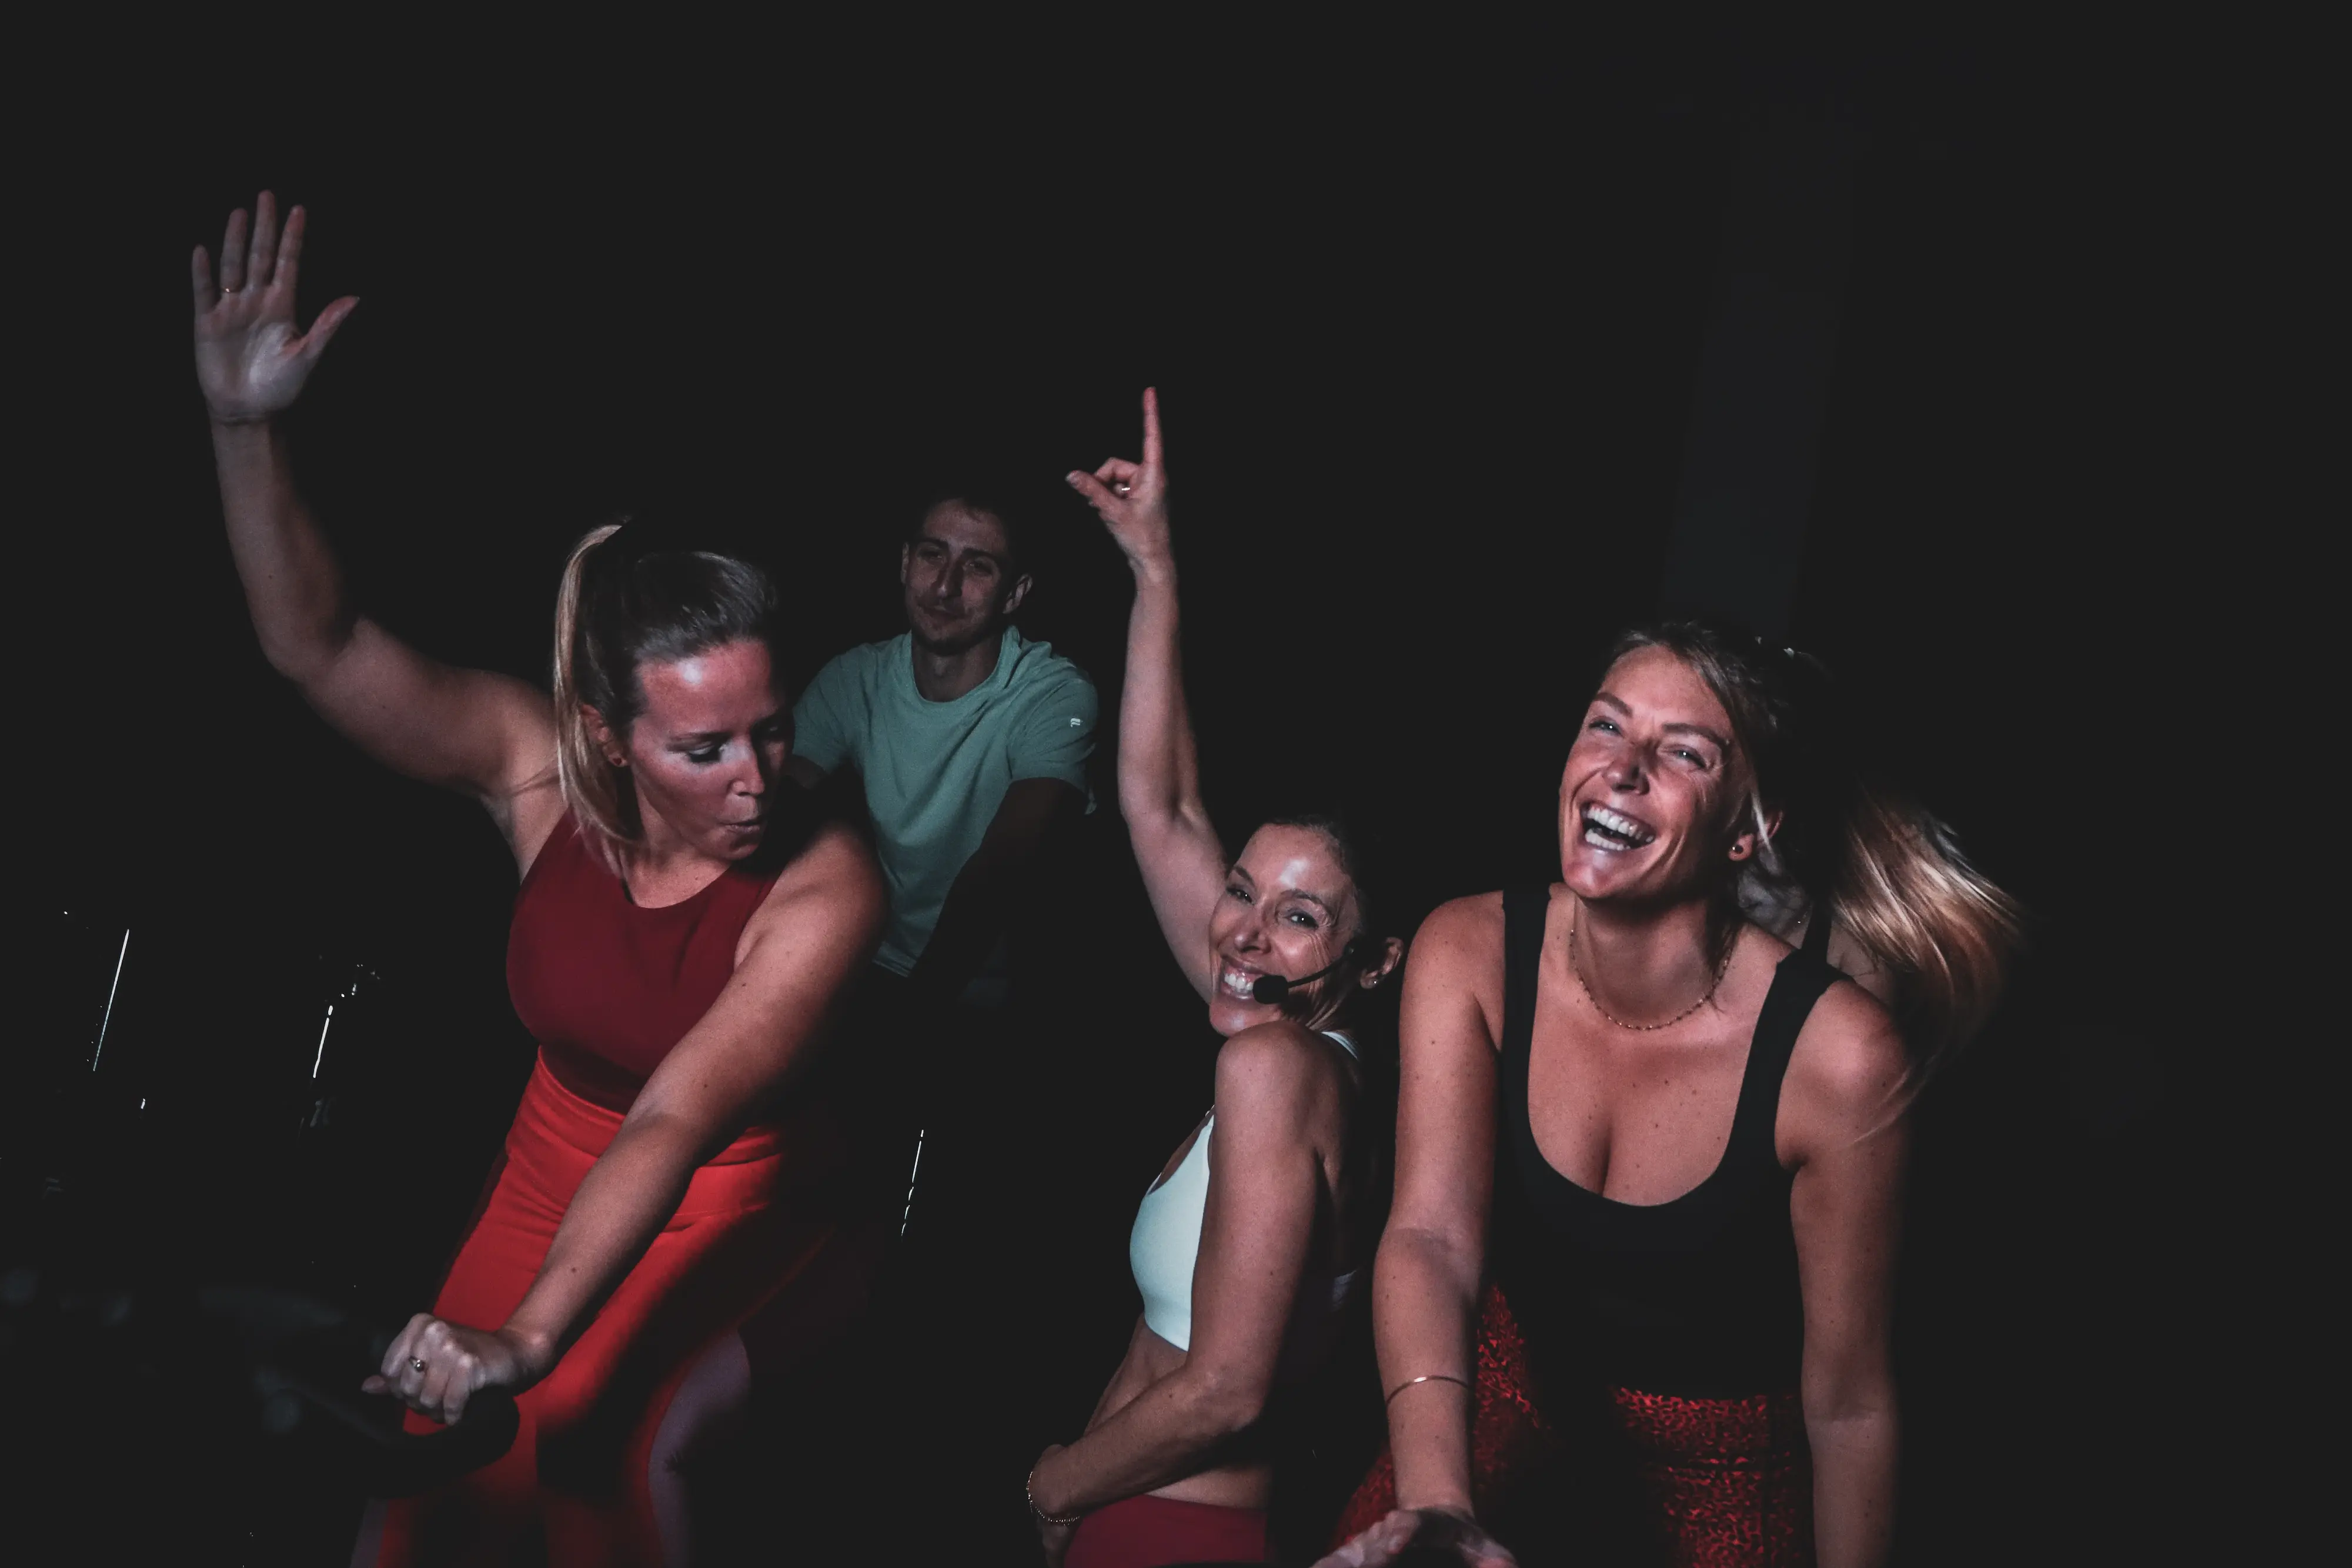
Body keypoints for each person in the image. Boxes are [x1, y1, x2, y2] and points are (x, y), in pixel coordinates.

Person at [191, 194, 886, 1567]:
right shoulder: (532, 773)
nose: (758, 774)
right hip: (545, 1164)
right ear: (604, 739)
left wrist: (530, 1335)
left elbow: (677, 1116)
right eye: (701, 746)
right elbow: (317, 649)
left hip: (735, 1197)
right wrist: (242, 425)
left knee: (587, 1446)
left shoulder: (829, 888)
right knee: (426, 1458)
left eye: (773, 724)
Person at [1322, 623, 2020, 1567]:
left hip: (1722, 1481)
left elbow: (1850, 1402)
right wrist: (1440, 1503)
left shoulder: (1841, 1057)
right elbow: (1431, 1239)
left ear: (1748, 829)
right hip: (1497, 1408)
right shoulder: (1467, 948)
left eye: (1683, 752)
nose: (1622, 767)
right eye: (1605, 727)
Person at [1025, 390, 1405, 1568]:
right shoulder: (1284, 1033)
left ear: (1370, 961)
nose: (1241, 933)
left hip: (1172, 1529)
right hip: (1140, 1516)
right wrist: (1151, 568)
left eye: (1298, 917)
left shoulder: (1277, 1067)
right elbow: (1159, 804)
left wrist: (1049, 1484)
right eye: (1240, 889)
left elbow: (1228, 1386)